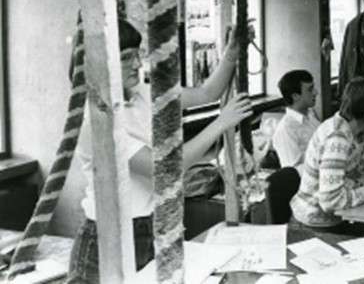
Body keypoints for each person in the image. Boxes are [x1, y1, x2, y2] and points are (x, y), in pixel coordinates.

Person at [67, 19, 252, 283]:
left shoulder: (142, 92)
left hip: (150, 227)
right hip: (107, 239)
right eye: (125, 57)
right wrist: (221, 123)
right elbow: (164, 170)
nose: (137, 64)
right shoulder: (94, 118)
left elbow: (206, 92)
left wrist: (231, 53)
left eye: (137, 54)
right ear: (99, 64)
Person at [290, 76, 364, 231]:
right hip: (314, 223)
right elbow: (330, 201)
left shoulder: (357, 131)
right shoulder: (337, 138)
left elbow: (362, 172)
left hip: (334, 218)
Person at [272, 69, 320, 170]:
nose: (316, 92)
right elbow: (293, 173)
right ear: (295, 96)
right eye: (310, 89)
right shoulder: (286, 130)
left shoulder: (311, 115)